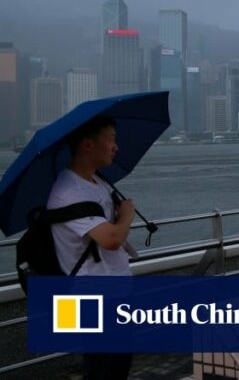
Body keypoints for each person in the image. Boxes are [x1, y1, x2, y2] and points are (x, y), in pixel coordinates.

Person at [47, 116, 135, 380]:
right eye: (110, 139)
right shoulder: (67, 191)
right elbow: (111, 239)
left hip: (113, 288)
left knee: (115, 365)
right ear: (87, 145)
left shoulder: (99, 182)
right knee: (101, 368)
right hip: (90, 294)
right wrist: (128, 214)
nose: (115, 147)